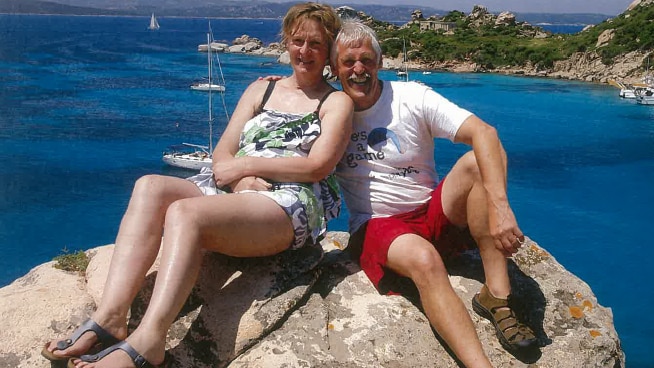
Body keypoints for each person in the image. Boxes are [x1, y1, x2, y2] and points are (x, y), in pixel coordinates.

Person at [41, 3, 353, 368]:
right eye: (298, 40)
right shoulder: (261, 90)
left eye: (315, 43)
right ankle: (111, 318)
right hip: (235, 190)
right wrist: (238, 177)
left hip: (287, 203)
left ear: (329, 48)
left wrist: (248, 166)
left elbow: (317, 166)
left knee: (186, 214)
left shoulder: (336, 102)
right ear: (285, 42)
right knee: (150, 187)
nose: (305, 51)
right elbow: (221, 155)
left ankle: (150, 340)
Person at [331, 19, 537, 367]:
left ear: (380, 63)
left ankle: (497, 297)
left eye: (366, 60)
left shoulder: (411, 97)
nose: (358, 69)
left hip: (429, 214)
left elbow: (484, 133)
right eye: (348, 62)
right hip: (378, 224)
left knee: (479, 160)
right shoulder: (329, 110)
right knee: (425, 260)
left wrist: (501, 208)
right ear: (335, 68)